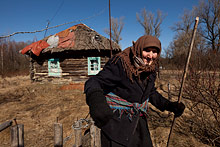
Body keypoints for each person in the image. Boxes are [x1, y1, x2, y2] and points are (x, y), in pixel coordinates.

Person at [84, 35, 185, 147]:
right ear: (139, 48)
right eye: (147, 50)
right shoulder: (121, 63)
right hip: (117, 124)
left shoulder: (151, 69)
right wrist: (97, 102)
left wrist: (169, 105)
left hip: (139, 123)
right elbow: (94, 81)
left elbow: (150, 93)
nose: (151, 56)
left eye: (155, 52)